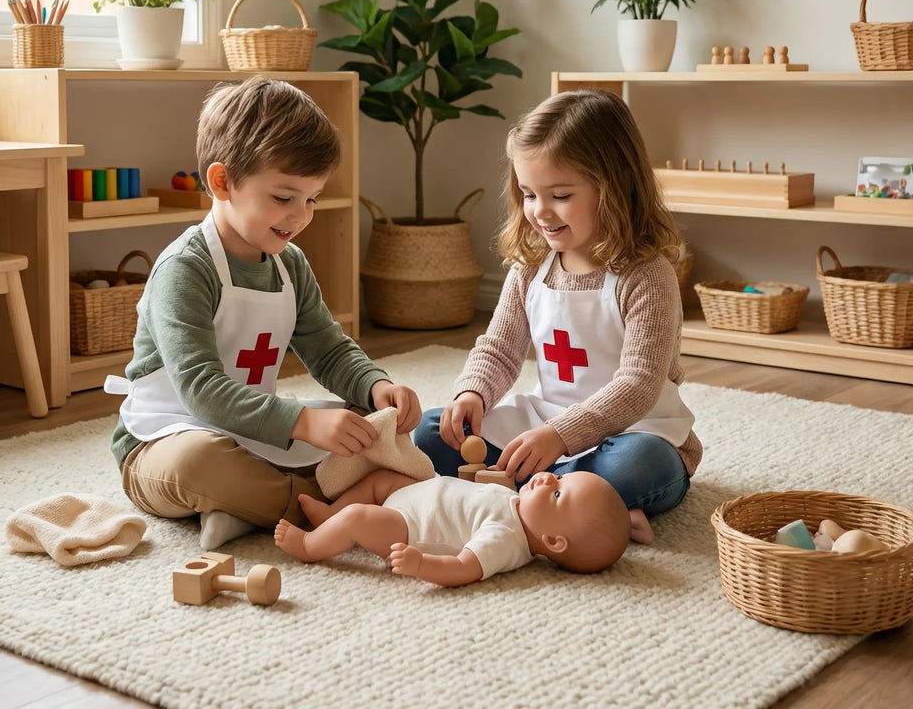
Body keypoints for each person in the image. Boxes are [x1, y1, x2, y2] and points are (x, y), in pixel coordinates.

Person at [105, 78, 421, 550]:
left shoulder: (288, 263)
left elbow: (328, 348)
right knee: (199, 463)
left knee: (366, 424)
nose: (300, 216)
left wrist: (376, 386)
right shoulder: (184, 270)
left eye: (311, 199)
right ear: (222, 181)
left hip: (249, 429)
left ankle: (249, 509)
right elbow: (202, 391)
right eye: (283, 197)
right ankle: (338, 508)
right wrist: (302, 424)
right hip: (162, 442)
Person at [413, 88, 702, 518]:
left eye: (560, 196)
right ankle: (573, 504)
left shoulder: (646, 274)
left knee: (642, 467)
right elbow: (499, 348)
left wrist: (560, 437)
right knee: (430, 433)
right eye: (529, 195)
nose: (541, 212)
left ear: (615, 187)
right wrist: (472, 393)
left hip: (633, 430)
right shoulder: (531, 265)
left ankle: (531, 491)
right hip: (547, 420)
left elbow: (638, 384)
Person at [274, 467, 653, 587]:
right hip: (415, 495)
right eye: (560, 478)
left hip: (408, 527)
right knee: (380, 478)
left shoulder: (505, 540)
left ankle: (310, 545)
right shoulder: (518, 504)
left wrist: (420, 564)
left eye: (557, 496)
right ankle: (330, 516)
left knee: (359, 518)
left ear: (553, 540)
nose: (548, 480)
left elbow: (463, 568)